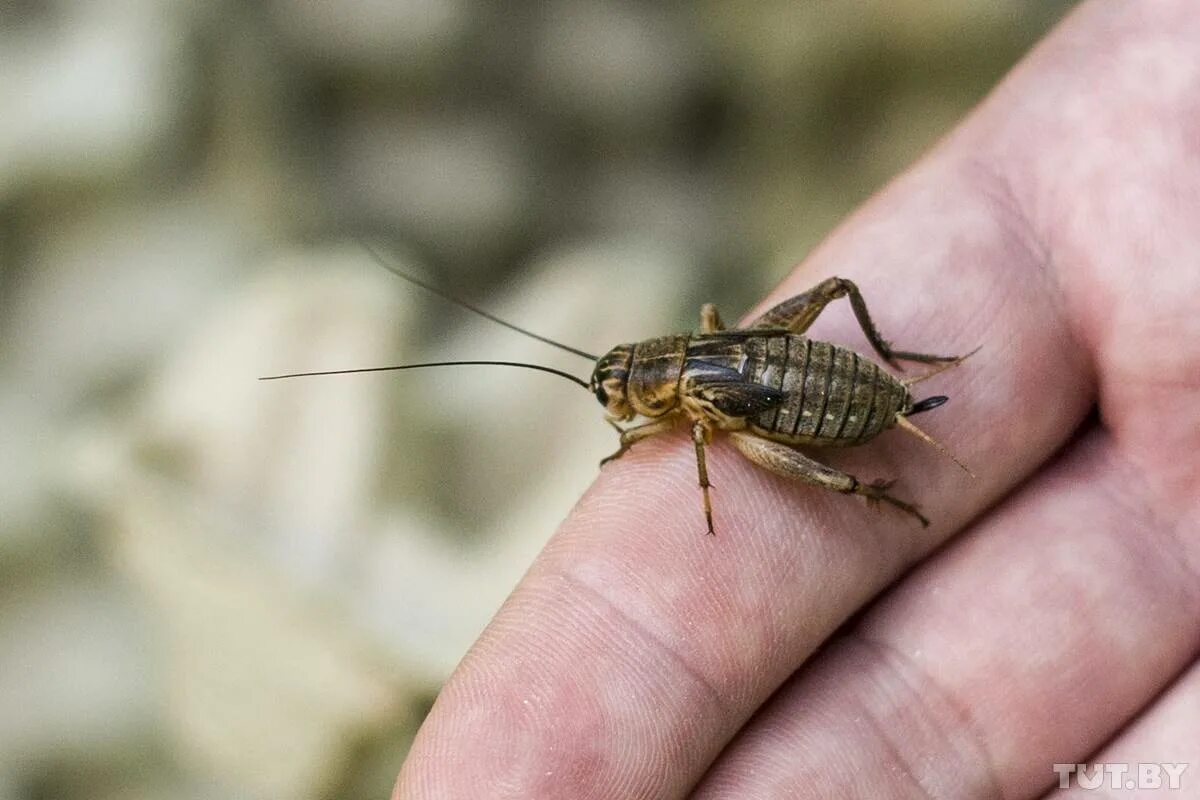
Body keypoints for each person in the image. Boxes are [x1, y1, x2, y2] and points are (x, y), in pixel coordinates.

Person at [394, 1, 1200, 796]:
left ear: (651, 383)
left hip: (817, 406)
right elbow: (700, 369)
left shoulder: (691, 417)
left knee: (816, 410)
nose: (623, 410)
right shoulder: (695, 351)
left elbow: (694, 439)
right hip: (784, 383)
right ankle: (882, 445)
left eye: (624, 398)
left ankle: (878, 459)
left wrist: (679, 463)